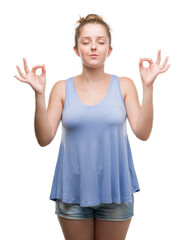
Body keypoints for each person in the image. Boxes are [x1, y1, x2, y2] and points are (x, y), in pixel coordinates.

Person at [14, 13, 170, 240]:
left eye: (101, 41)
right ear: (76, 50)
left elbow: (143, 133)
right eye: (86, 42)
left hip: (116, 191)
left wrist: (148, 87)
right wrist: (39, 95)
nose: (93, 47)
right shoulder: (61, 88)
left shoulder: (124, 85)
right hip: (73, 192)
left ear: (110, 49)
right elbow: (44, 138)